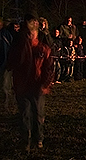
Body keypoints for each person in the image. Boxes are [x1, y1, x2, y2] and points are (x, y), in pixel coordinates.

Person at [6, 14, 54, 150]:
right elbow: (12, 64)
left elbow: (48, 68)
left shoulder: (42, 49)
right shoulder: (18, 48)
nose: (28, 36)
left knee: (38, 114)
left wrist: (45, 84)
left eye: (31, 33)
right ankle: (25, 139)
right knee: (24, 114)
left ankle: (38, 138)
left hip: (37, 86)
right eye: (26, 33)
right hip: (22, 86)